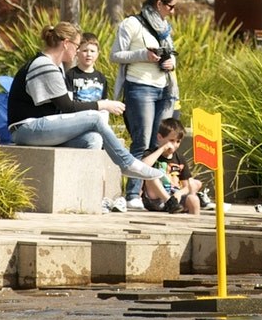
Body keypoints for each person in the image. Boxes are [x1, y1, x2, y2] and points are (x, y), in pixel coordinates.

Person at [10, 22, 174, 198]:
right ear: (66, 43)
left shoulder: (55, 66)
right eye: (77, 46)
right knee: (95, 118)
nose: (77, 50)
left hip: (42, 127)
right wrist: (103, 105)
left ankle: (85, 196)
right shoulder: (44, 64)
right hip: (26, 129)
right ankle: (127, 164)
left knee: (93, 139)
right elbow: (67, 107)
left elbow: (63, 108)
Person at [113, 0, 181, 210]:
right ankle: (132, 193)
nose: (173, 11)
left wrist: (171, 62)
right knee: (141, 141)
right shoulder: (131, 24)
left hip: (164, 89)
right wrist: (144, 55)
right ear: (159, 3)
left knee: (156, 143)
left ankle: (151, 195)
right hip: (140, 87)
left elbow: (171, 56)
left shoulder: (165, 28)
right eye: (170, 6)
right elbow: (116, 55)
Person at [140, 118, 203, 216]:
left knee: (193, 199)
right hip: (156, 200)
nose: (175, 145)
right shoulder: (151, 153)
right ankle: (169, 201)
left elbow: (186, 186)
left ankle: (195, 225)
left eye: (178, 141)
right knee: (150, 175)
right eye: (172, 140)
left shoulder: (179, 158)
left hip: (175, 197)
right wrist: (161, 149)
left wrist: (179, 194)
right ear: (160, 137)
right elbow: (142, 167)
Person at [66, 32, 109, 104]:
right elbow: (68, 103)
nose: (89, 54)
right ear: (77, 52)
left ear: (97, 54)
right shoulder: (70, 75)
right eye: (85, 51)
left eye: (92, 51)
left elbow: (104, 102)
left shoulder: (101, 78)